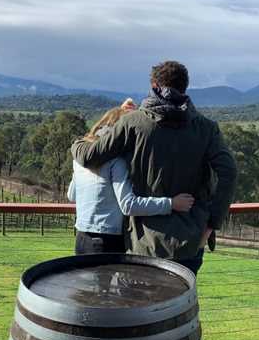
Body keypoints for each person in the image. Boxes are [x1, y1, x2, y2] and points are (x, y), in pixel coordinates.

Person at [71, 60, 237, 274]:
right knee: (182, 304)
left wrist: (78, 142)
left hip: (144, 242)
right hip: (191, 239)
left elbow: (90, 156)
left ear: (154, 86)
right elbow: (229, 172)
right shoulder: (206, 128)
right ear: (184, 87)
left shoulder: (133, 123)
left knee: (143, 305)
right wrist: (211, 225)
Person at [67, 101, 196, 255]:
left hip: (81, 238)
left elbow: (71, 195)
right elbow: (128, 205)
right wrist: (171, 203)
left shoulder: (80, 160)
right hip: (108, 241)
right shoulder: (116, 162)